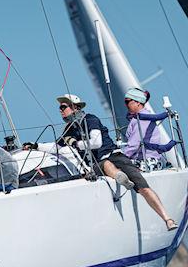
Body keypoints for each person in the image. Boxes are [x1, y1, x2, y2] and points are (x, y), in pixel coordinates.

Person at [23, 94, 176, 231]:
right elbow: (56, 147)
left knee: (143, 187)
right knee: (106, 165)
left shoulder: (90, 119)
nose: (60, 110)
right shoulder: (68, 130)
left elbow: (96, 142)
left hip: (115, 154)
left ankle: (167, 219)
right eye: (60, 108)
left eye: (63, 107)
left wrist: (76, 143)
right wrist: (36, 146)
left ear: (75, 107)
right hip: (100, 163)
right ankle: (122, 178)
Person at [122, 88, 177, 164]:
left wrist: (121, 158)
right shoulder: (140, 117)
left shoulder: (142, 119)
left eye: (127, 101)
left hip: (145, 162)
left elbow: (134, 144)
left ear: (138, 102)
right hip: (147, 160)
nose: (125, 105)